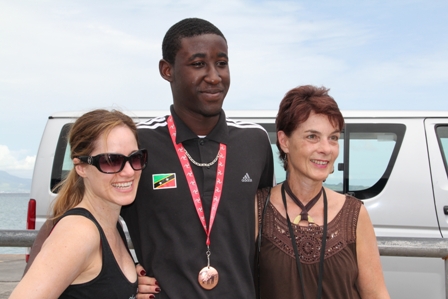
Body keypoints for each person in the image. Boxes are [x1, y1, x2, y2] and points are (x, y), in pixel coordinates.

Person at [121, 18, 274, 298]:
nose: (214, 76)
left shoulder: (256, 141)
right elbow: (91, 218)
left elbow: (265, 225)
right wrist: (126, 273)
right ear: (167, 70)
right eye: (198, 64)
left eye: (222, 63)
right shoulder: (137, 142)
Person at [256, 85, 390, 299]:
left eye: (333, 138)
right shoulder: (258, 208)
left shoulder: (355, 214)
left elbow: (375, 294)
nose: (326, 149)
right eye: (312, 136)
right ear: (284, 141)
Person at [10, 109, 148, 299]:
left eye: (135, 158)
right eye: (111, 161)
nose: (129, 172)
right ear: (81, 167)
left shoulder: (110, 226)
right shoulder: (79, 233)